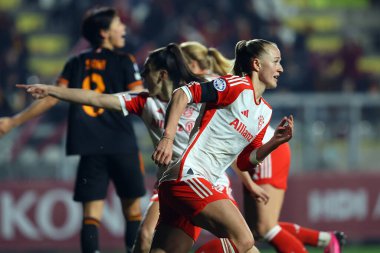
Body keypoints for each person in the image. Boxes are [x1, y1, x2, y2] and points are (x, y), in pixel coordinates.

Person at [18, 42, 269, 253]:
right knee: (146, 237)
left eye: (145, 70)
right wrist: (53, 90)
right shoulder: (143, 102)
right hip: (175, 181)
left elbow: (228, 138)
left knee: (242, 244)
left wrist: (247, 182)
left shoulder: (201, 90)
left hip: (209, 179)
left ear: (161, 74)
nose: (140, 76)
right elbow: (95, 98)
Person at [0, 7, 146, 253]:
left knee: (91, 215)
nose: (123, 27)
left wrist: (14, 121)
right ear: (104, 32)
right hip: (122, 144)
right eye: (118, 23)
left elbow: (51, 98)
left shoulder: (76, 63)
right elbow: (139, 97)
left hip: (90, 146)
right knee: (132, 211)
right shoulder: (125, 61)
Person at [151, 39, 293, 253]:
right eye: (276, 61)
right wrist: (168, 138)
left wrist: (274, 143)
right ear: (256, 64)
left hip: (191, 182)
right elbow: (183, 94)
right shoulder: (235, 86)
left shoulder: (264, 113)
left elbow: (245, 162)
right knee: (244, 239)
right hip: (189, 176)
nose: (280, 68)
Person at [234, 125, 347, 253]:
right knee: (252, 231)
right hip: (250, 154)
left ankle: (328, 240)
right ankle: (326, 239)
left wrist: (249, 183)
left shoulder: (219, 107)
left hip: (265, 151)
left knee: (265, 227)